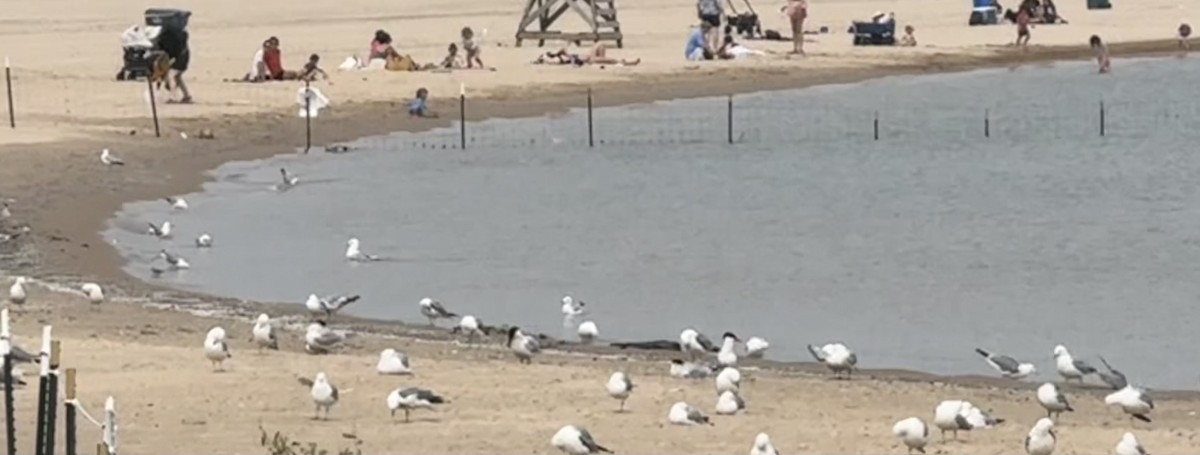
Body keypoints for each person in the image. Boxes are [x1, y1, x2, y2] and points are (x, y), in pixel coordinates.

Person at [158, 25, 192, 103]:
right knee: (177, 77)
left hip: (181, 58)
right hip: (184, 57)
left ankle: (173, 97)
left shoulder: (168, 38)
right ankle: (186, 95)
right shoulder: (180, 35)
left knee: (171, 76)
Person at [539, 43, 641, 65]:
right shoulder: (557, 60)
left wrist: (559, 52)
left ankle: (603, 61)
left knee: (600, 45)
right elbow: (572, 60)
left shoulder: (558, 55)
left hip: (586, 56)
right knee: (594, 59)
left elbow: (562, 50)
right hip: (587, 60)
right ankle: (622, 62)